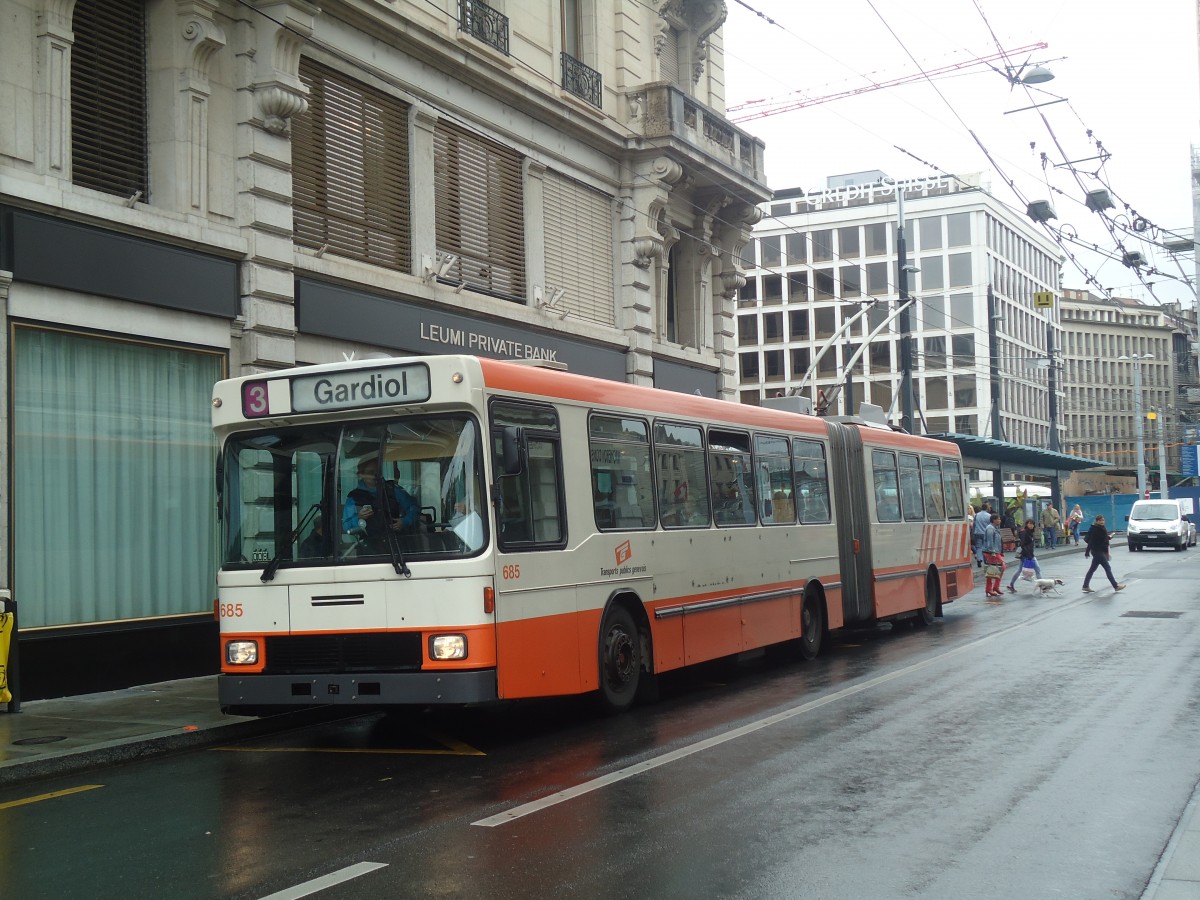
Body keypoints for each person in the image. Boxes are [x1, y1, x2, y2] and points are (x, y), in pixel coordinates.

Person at [343, 457, 419, 540]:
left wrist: (405, 521)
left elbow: (414, 508)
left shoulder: (393, 490)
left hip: (396, 543)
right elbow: (347, 527)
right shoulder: (353, 497)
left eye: (378, 472)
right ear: (361, 475)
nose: (375, 476)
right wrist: (359, 517)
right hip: (368, 546)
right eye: (371, 473)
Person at [1082, 514, 1125, 593]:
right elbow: (1091, 541)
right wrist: (1087, 552)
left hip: (1100, 551)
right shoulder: (1095, 529)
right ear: (1097, 521)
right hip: (1097, 551)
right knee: (1107, 568)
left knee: (1092, 569)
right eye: (1100, 520)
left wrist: (1110, 537)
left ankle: (1085, 586)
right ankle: (1115, 586)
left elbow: (1103, 538)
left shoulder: (1101, 528)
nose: (1102, 522)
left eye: (1103, 520)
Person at [1006, 519, 1043, 593]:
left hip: (1028, 554)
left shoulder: (1029, 533)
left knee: (1020, 570)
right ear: (1026, 524)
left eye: (1032, 524)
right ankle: (1042, 586)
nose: (1031, 525)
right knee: (1037, 569)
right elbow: (1023, 545)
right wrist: (1028, 555)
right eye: (1029, 524)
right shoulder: (1024, 533)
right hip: (1027, 555)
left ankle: (1011, 584)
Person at [982, 513, 1006, 598]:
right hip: (991, 552)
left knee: (994, 569)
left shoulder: (995, 528)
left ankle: (993, 588)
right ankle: (991, 588)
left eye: (999, 519)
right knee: (994, 569)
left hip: (996, 552)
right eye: (998, 519)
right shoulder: (990, 528)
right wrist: (992, 552)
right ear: (993, 520)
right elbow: (990, 541)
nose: (999, 520)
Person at [972, 501, 993, 567]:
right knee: (986, 547)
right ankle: (986, 560)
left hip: (978, 533)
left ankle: (979, 559)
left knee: (978, 547)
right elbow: (991, 525)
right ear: (986, 508)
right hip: (985, 533)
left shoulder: (976, 515)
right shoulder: (989, 516)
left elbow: (974, 524)